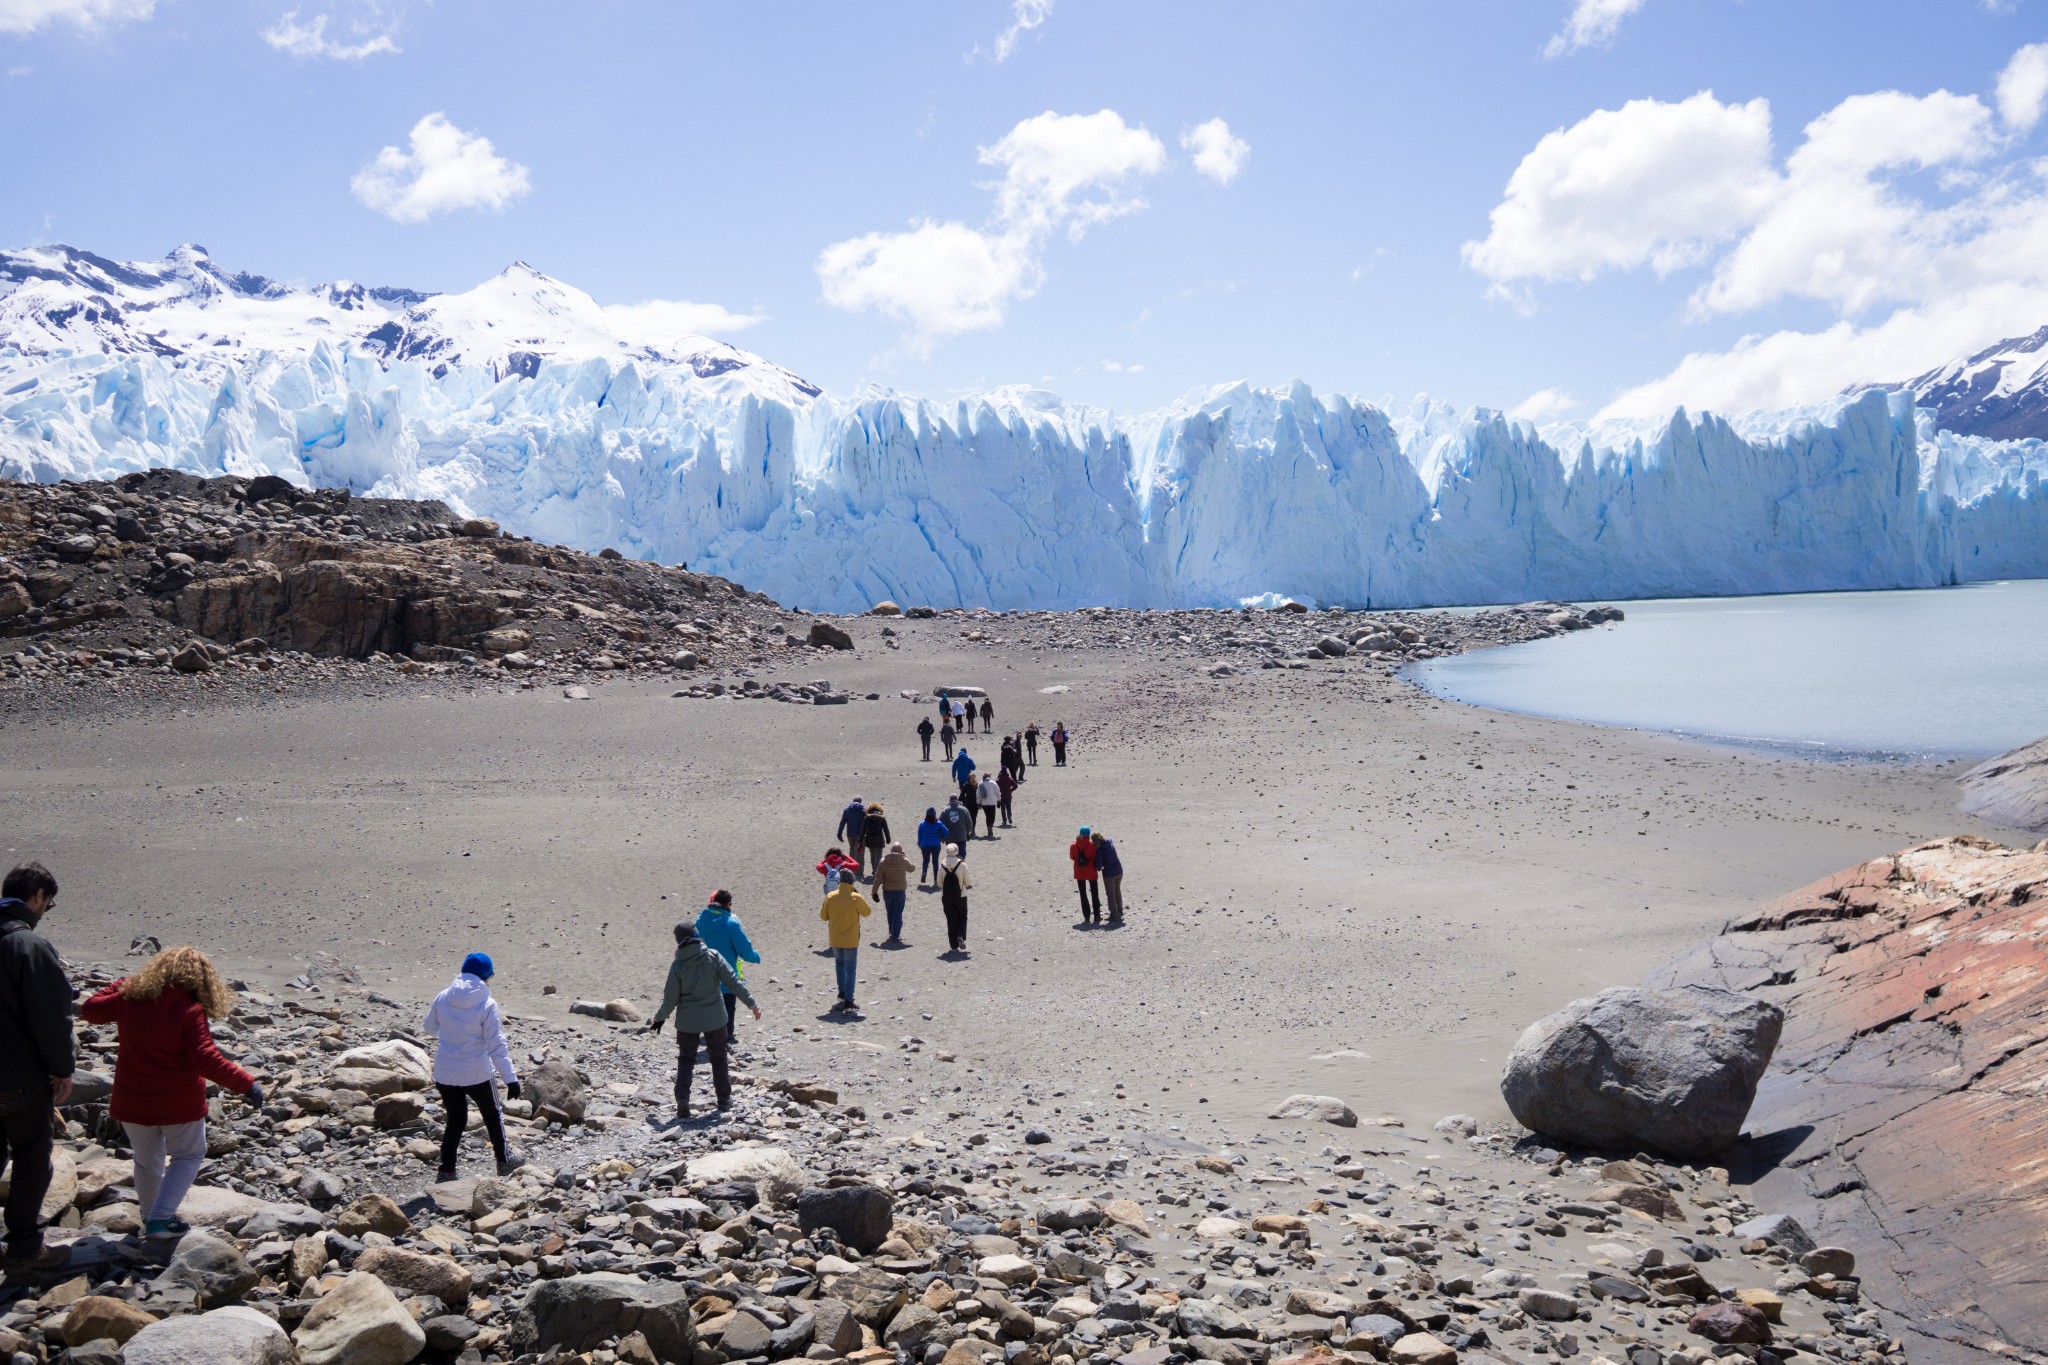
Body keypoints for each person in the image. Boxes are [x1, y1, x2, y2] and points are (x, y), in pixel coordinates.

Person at [81, 946, 263, 1238]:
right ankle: (160, 1219)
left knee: (147, 1161)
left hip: (133, 1099)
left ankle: (152, 1219)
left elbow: (90, 1008)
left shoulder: (128, 999)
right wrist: (246, 1083)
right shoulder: (188, 1008)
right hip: (177, 1102)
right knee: (189, 1155)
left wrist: (125, 983)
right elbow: (205, 1058)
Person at [0, 862, 73, 1270]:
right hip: (19, 1078)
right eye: (49, 903)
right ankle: (26, 1248)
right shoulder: (28, 945)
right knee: (30, 1156)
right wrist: (62, 1068)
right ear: (38, 897)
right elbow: (50, 1017)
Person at [419, 952, 525, 1182]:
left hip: (446, 1072)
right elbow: (496, 1044)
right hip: (477, 1072)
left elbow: (429, 1028)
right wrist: (511, 1079)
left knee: (456, 1120)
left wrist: (450, 1037)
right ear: (486, 976)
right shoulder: (487, 1003)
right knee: (492, 1114)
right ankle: (504, 1160)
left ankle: (447, 1169)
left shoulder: (444, 996)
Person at [647, 923, 760, 1120]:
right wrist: (752, 1003)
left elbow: (670, 999)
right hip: (715, 1019)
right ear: (697, 935)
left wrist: (659, 1019)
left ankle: (683, 1100)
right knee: (719, 1058)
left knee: (686, 1060)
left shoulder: (678, 965)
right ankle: (724, 1100)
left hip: (687, 1022)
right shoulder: (713, 956)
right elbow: (733, 981)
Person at [695, 890, 760, 1044]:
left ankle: (709, 1032)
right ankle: (726, 1035)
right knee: (727, 1006)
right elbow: (744, 949)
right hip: (726, 975)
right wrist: (755, 957)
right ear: (728, 904)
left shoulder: (699, 921)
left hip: (703, 975)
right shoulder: (730, 923)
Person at [820, 873, 872, 1011]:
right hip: (850, 939)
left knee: (839, 964)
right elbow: (867, 912)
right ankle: (849, 1000)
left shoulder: (830, 896)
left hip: (835, 938)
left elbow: (823, 916)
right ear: (852, 882)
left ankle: (842, 993)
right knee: (850, 969)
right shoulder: (855, 897)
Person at [874, 842, 914, 943]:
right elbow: (912, 869)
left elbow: (878, 879)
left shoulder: (883, 861)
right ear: (901, 851)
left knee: (890, 912)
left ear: (891, 851)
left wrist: (874, 892)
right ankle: (896, 935)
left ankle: (892, 931)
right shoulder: (904, 861)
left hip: (887, 890)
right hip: (900, 891)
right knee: (898, 913)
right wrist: (905, 857)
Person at [939, 844, 972, 952]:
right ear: (957, 851)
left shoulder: (942, 865)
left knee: (951, 920)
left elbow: (939, 883)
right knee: (962, 916)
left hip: (947, 896)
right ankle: (960, 935)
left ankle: (953, 945)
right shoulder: (962, 865)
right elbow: (967, 882)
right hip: (961, 895)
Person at [1070, 826, 1103, 922]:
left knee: (1083, 894)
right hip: (1091, 872)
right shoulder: (1092, 845)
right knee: (1094, 893)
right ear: (1088, 834)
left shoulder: (1073, 845)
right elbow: (1094, 857)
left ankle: (1087, 916)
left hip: (1079, 872)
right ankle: (1097, 916)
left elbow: (1072, 857)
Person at [1094, 832, 1125, 925]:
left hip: (1109, 875)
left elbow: (1099, 865)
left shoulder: (1100, 850)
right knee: (1117, 891)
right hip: (1119, 871)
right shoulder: (1110, 843)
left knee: (1111, 895)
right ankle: (1120, 910)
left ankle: (1113, 914)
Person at [836, 796, 870, 878]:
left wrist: (839, 833)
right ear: (860, 801)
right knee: (860, 852)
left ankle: (851, 869)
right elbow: (867, 822)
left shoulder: (847, 810)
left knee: (852, 850)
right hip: (860, 835)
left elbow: (842, 823)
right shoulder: (864, 810)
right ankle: (859, 872)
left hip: (850, 834)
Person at [860, 803, 891, 881]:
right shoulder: (882, 818)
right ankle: (876, 872)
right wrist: (888, 839)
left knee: (872, 855)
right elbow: (886, 829)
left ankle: (874, 870)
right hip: (879, 839)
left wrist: (860, 840)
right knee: (878, 856)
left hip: (869, 839)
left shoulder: (866, 818)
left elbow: (863, 830)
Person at [916, 806, 947, 885]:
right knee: (935, 862)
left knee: (925, 860)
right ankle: (936, 880)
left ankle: (924, 873)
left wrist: (919, 844)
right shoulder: (938, 823)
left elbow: (920, 835)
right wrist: (942, 838)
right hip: (936, 844)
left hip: (925, 844)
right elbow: (946, 831)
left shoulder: (922, 824)